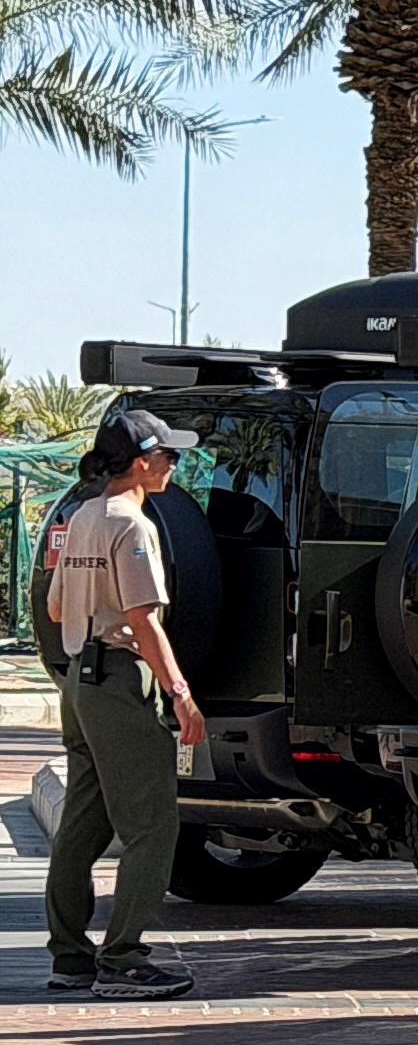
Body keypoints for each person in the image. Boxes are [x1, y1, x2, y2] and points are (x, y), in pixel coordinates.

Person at [43, 406, 207, 1000]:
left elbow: (56, 608)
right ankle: (123, 961)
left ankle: (70, 956)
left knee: (83, 821)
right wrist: (181, 694)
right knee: (153, 827)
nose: (174, 465)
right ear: (141, 462)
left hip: (79, 682)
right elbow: (144, 621)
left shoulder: (84, 515)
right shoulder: (133, 526)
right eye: (168, 455)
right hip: (118, 680)